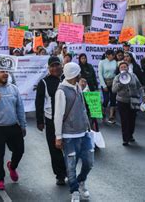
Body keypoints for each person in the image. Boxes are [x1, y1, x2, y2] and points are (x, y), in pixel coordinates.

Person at [54, 62, 93, 202]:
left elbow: (83, 107)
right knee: (71, 166)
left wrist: (89, 127)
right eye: (78, 73)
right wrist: (58, 136)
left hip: (84, 132)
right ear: (74, 74)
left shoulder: (78, 86)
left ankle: (81, 181)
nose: (80, 75)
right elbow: (58, 115)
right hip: (69, 135)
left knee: (89, 161)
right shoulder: (61, 91)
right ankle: (74, 190)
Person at [35, 57, 67, 186]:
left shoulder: (68, 78)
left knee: (70, 148)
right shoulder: (44, 82)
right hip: (51, 120)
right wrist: (39, 121)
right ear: (49, 68)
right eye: (52, 66)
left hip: (68, 120)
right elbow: (39, 102)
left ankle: (70, 171)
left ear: (61, 66)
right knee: (55, 148)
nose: (55, 68)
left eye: (57, 65)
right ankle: (60, 174)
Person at [112, 62, 145, 146]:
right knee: (124, 120)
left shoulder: (133, 76)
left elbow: (139, 86)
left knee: (132, 119)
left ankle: (130, 135)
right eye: (121, 67)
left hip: (133, 100)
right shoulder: (117, 77)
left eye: (125, 67)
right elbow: (113, 90)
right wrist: (120, 83)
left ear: (128, 68)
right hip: (122, 101)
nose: (123, 68)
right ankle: (125, 138)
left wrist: (143, 95)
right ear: (119, 69)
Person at [98, 50, 117, 124]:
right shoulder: (102, 62)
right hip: (105, 82)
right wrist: (104, 85)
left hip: (113, 82)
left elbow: (116, 72)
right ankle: (103, 112)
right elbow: (100, 74)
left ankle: (111, 116)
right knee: (106, 99)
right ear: (108, 55)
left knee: (113, 99)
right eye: (112, 55)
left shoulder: (115, 62)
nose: (113, 56)